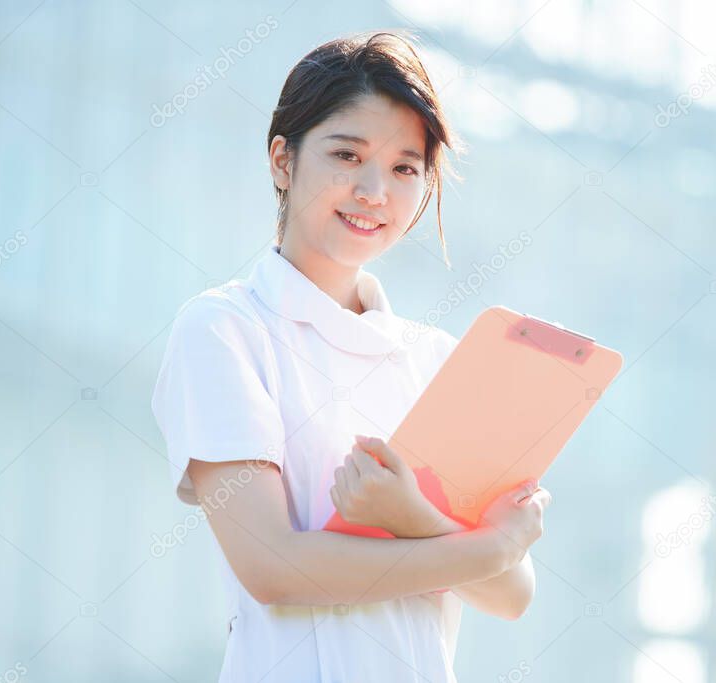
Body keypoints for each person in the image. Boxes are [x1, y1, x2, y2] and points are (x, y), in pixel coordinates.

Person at [151, 30, 552, 683]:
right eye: (347, 154)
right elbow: (274, 567)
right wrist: (487, 546)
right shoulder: (225, 330)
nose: (375, 191)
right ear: (283, 159)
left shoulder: (436, 360)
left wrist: (415, 518)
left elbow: (512, 593)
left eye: (404, 167)